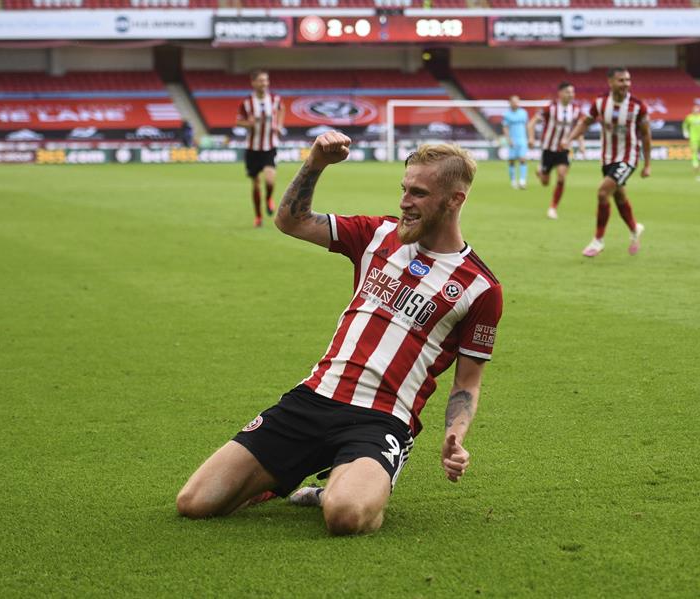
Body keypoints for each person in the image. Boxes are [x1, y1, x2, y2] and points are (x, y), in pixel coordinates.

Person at [175, 131, 504, 536]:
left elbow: (468, 382)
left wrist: (455, 435)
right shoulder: (376, 235)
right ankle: (284, 479)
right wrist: (315, 163)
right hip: (314, 399)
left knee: (345, 516)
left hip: (383, 419)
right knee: (194, 504)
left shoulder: (480, 287)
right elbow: (291, 221)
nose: (404, 202)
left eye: (418, 193)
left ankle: (336, 488)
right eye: (404, 189)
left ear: (455, 200)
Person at [561, 67, 650, 257]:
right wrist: (569, 139)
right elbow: (585, 122)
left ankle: (598, 240)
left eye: (627, 80)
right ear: (610, 82)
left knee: (603, 192)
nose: (625, 84)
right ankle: (635, 229)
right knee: (618, 197)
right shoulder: (600, 103)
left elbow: (646, 135)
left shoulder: (638, 106)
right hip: (608, 158)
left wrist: (647, 164)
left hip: (628, 158)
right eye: (621, 80)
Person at [528, 81, 585, 220]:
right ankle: (540, 171)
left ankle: (553, 208)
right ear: (560, 94)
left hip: (564, 149)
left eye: (573, 92)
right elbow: (532, 123)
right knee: (545, 182)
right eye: (568, 92)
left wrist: (581, 144)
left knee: (561, 176)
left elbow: (579, 129)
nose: (571, 95)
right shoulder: (550, 108)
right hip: (548, 149)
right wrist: (531, 138)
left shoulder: (576, 109)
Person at [237, 69, 284, 228]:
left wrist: (279, 125)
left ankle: (269, 198)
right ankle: (258, 216)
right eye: (261, 80)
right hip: (252, 148)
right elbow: (238, 122)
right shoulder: (246, 102)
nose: (264, 83)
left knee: (270, 180)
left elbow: (282, 109)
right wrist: (247, 123)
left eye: (266, 80)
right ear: (253, 82)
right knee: (256, 183)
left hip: (270, 146)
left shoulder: (275, 99)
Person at [501, 95, 529, 190]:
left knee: (523, 159)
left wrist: (529, 138)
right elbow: (505, 127)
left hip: (522, 140)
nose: (516, 103)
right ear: (510, 103)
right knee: (512, 161)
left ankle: (522, 181)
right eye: (514, 101)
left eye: (517, 101)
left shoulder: (524, 113)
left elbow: (526, 126)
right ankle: (513, 181)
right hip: (512, 140)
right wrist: (508, 139)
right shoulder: (507, 114)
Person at [682, 105, 700, 175]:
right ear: (693, 110)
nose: (696, 111)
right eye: (695, 110)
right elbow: (685, 125)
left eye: (697, 110)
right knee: (694, 151)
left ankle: (697, 161)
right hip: (693, 137)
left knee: (699, 151)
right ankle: (695, 165)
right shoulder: (689, 117)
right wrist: (685, 132)